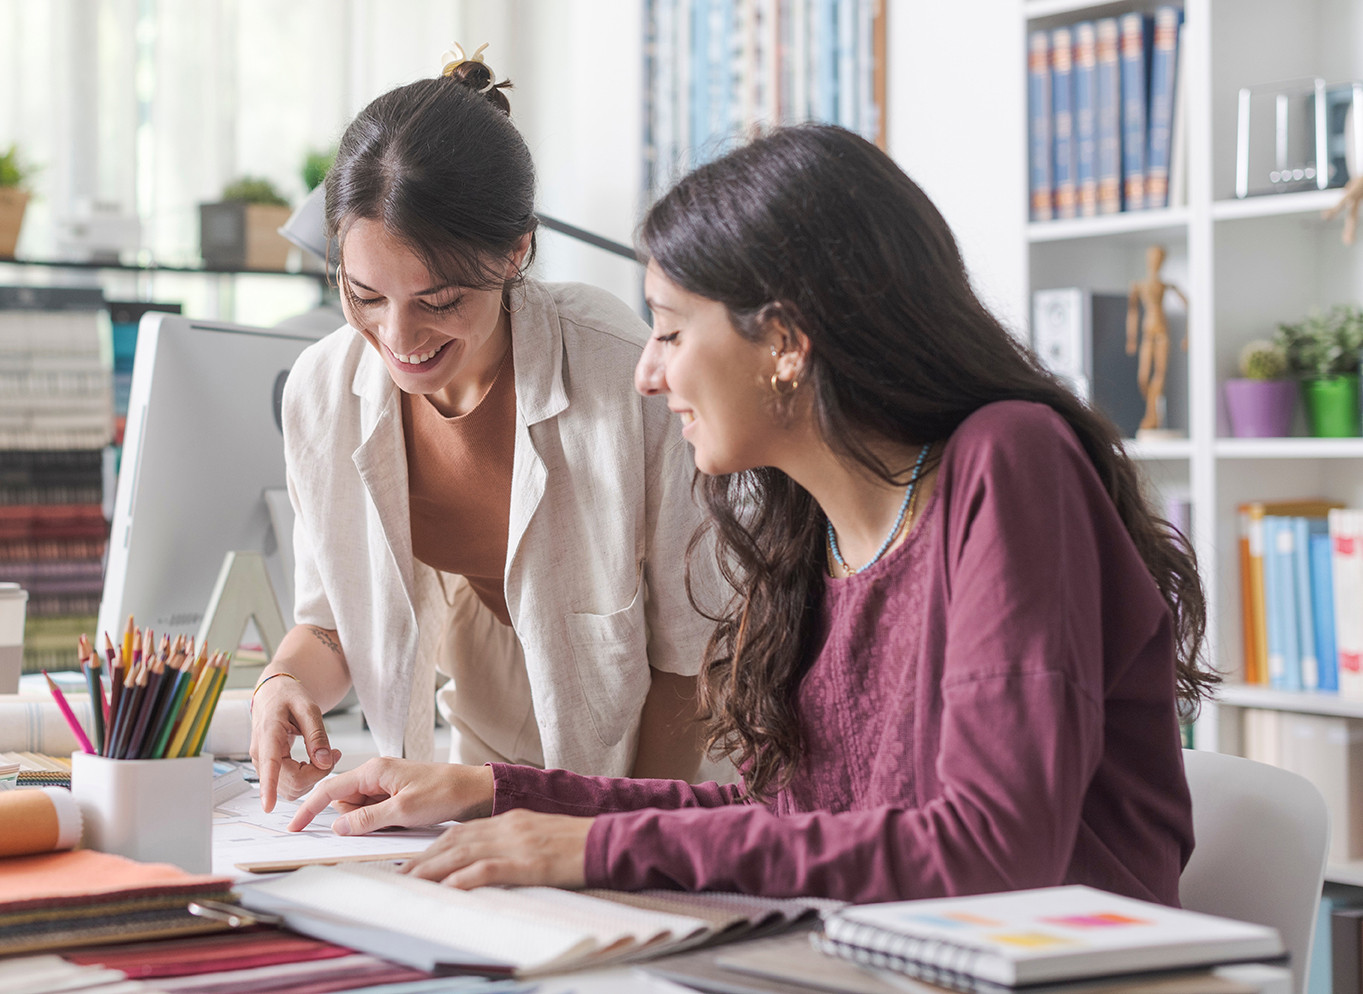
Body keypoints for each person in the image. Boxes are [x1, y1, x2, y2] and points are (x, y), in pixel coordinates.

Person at [287, 124, 1219, 906]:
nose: (647, 372)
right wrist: (495, 793)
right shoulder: (808, 531)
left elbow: (991, 851)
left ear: (782, 341)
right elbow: (790, 826)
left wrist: (592, 849)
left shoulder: (1006, 462)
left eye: (669, 330)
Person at [250, 44, 728, 813]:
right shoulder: (322, 390)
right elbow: (333, 626)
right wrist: (281, 685)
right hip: (487, 742)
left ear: (516, 252)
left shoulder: (618, 373)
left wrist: (616, 830)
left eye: (437, 301)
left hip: (667, 752)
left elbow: (690, 657)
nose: (398, 336)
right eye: (363, 293)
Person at [1126, 244, 1188, 435]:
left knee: (1160, 374)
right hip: (1147, 332)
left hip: (1162, 330)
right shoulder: (1139, 285)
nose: (1155, 262)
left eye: (1158, 259)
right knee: (1143, 377)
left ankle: (1153, 417)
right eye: (1152, 258)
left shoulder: (1166, 285)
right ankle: (1151, 412)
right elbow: (1133, 312)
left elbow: (1189, 304)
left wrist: (1188, 334)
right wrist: (1131, 338)